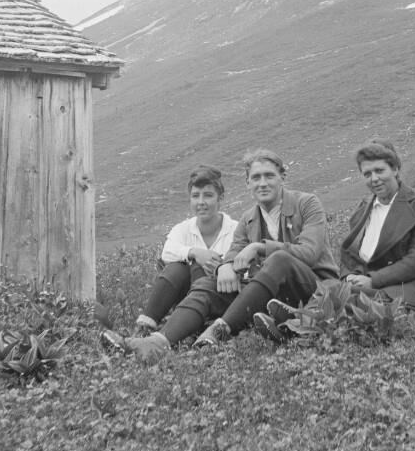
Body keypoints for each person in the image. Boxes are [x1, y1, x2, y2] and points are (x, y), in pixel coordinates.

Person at [118, 148, 339, 360]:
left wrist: (259, 247)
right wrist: (224, 267)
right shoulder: (248, 218)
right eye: (256, 177)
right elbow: (233, 251)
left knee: (279, 259)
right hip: (272, 294)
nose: (262, 183)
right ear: (248, 183)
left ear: (282, 177)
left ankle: (220, 330)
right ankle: (158, 341)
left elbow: (310, 252)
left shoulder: (306, 203)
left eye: (269, 176)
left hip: (313, 289)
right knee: (208, 284)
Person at [253, 138, 415, 343]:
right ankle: (293, 325)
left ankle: (293, 326)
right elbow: (350, 253)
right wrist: (350, 275)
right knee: (332, 288)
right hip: (368, 285)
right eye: (367, 174)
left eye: (380, 171)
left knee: (341, 296)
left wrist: (374, 279)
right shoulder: (365, 207)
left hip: (406, 286)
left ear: (395, 169)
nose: (374, 179)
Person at [101, 166, 237, 352]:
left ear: (220, 198)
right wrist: (195, 252)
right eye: (195, 196)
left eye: (208, 195)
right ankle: (145, 327)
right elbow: (167, 251)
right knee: (177, 268)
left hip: (218, 298)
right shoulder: (183, 229)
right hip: (188, 297)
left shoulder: (235, 230)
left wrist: (220, 267)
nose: (201, 202)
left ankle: (192, 329)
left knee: (197, 268)